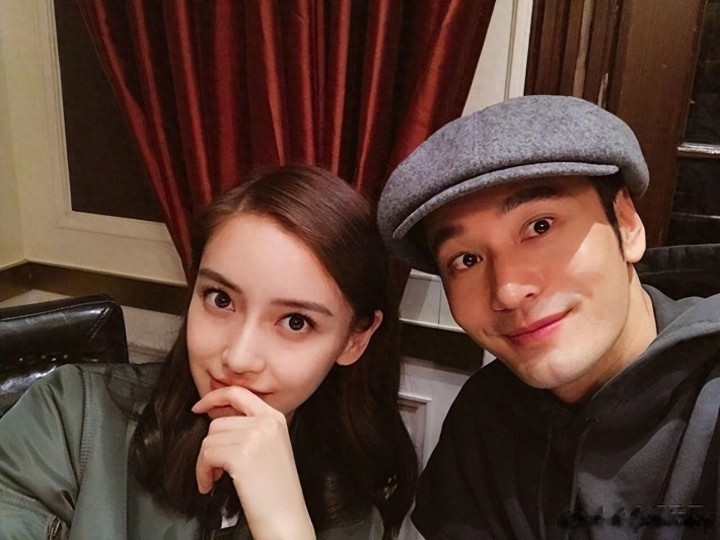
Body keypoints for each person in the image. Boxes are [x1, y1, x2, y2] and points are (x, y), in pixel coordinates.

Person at [0, 165, 418, 539]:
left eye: (295, 322)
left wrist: (284, 527)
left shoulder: (355, 494)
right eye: (220, 299)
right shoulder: (71, 415)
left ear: (354, 340)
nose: (238, 357)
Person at [377, 95, 720, 539]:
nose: (507, 290)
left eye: (540, 226)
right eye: (466, 259)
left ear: (627, 224)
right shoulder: (483, 420)